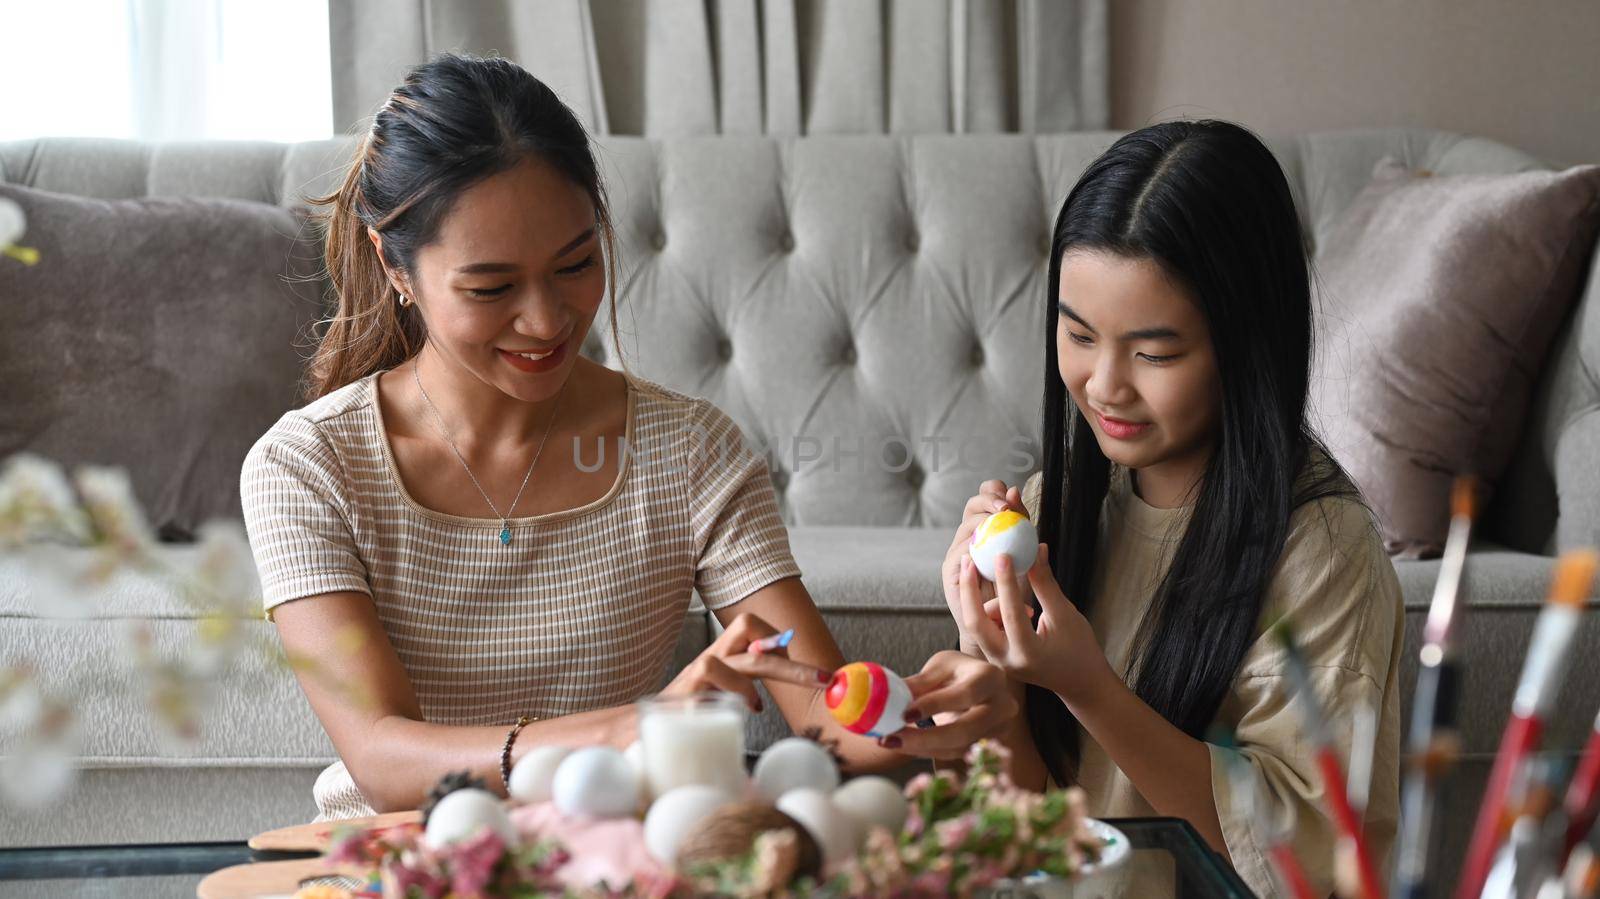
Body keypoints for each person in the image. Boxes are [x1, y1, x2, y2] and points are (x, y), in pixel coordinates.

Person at [240, 53, 1014, 821]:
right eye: (492, 287)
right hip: (398, 865)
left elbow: (827, 719)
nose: (546, 321)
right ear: (395, 266)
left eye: (576, 264)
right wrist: (631, 729)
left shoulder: (689, 448)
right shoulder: (307, 467)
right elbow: (381, 761)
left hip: (615, 864)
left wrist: (938, 708)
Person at [941, 120, 1405, 897]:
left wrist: (1088, 685)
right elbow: (1029, 826)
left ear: (1246, 344)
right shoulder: (1059, 506)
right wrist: (995, 670)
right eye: (1078, 334)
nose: (1104, 385)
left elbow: (1302, 857)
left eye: (1154, 353)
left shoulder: (1321, 547)